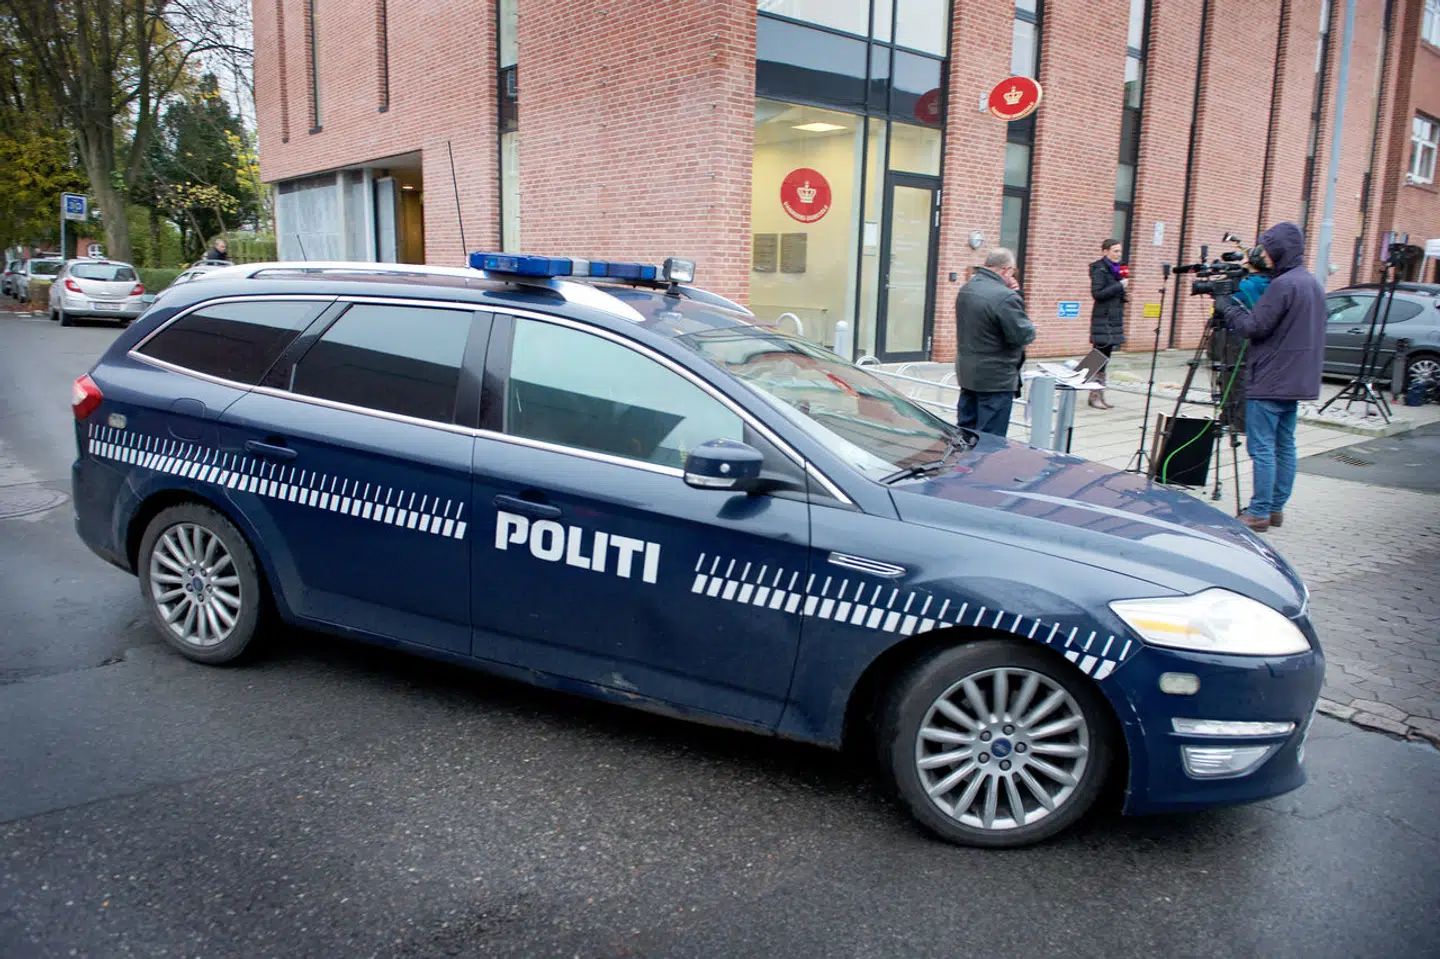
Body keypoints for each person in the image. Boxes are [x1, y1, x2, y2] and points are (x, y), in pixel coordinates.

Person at [1214, 221, 1325, 533]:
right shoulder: (1311, 283)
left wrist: (1229, 307)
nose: (1264, 256)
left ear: (1278, 251)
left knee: (1262, 447)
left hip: (1272, 378)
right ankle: (1275, 508)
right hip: (1296, 380)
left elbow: (1253, 328)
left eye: (1268, 249)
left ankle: (1259, 511)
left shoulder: (1284, 285)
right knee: (1284, 444)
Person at [954, 248, 1036, 436]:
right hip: (996, 379)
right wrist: (1017, 300)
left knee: (966, 434)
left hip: (968, 373)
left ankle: (963, 465)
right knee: (990, 439)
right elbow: (1022, 335)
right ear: (1007, 270)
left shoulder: (968, 288)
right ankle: (982, 465)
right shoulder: (1005, 297)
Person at [1087, 238, 1128, 409]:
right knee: (1099, 355)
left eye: (1119, 251)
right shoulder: (1099, 269)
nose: (1118, 254)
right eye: (1115, 251)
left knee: (1105, 356)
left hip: (1113, 318)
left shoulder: (1117, 270)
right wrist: (1119, 286)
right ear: (1105, 251)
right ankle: (1092, 392)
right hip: (1102, 318)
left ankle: (1097, 391)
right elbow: (1098, 294)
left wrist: (1124, 295)